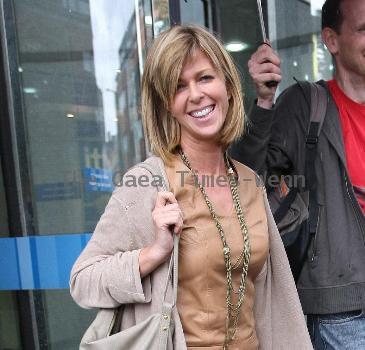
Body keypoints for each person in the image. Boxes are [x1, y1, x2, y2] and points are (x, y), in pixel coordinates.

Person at [70, 25, 312, 349]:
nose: (196, 94)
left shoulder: (250, 182)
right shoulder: (147, 183)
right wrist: (153, 253)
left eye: (204, 78)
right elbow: (83, 281)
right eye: (178, 86)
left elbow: (270, 299)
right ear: (166, 105)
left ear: (227, 85)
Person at [230, 0, 365, 349]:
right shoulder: (307, 104)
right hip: (341, 309)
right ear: (331, 40)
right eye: (364, 30)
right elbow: (249, 178)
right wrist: (263, 101)